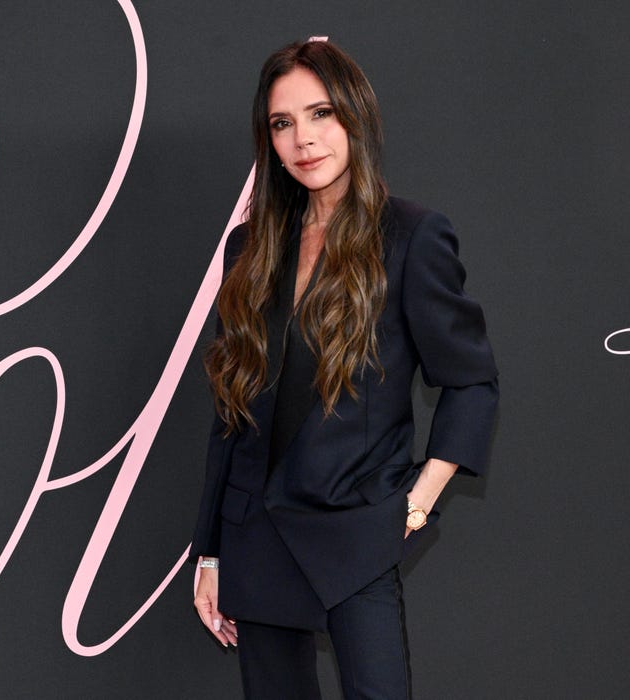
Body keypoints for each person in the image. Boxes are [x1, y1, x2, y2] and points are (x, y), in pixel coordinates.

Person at [190, 39, 498, 700]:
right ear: (268, 139)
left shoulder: (413, 236)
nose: (304, 138)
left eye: (321, 113)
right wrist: (211, 552)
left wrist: (416, 502)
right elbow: (232, 414)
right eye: (282, 123)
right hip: (256, 536)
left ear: (355, 116)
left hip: (357, 531)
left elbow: (472, 382)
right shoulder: (249, 247)